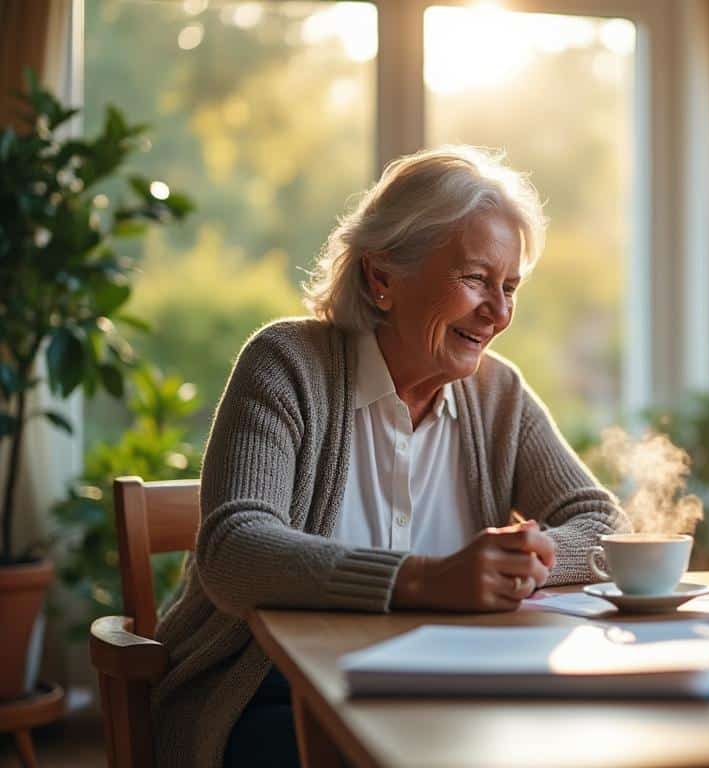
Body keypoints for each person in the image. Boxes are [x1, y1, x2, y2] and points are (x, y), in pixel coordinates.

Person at [151, 146, 627, 768]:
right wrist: (424, 580)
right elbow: (234, 549)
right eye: (475, 279)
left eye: (509, 287)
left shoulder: (498, 394)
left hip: (443, 693)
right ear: (381, 278)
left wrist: (524, 562)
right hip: (265, 692)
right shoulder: (287, 365)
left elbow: (602, 522)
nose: (500, 312)